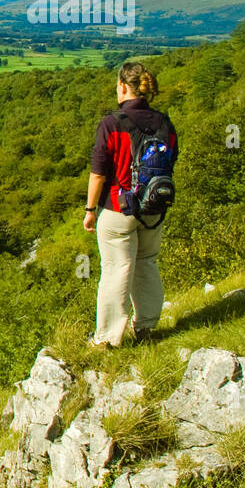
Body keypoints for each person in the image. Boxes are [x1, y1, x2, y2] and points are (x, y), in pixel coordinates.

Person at [83, 62, 178, 347]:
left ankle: (109, 338)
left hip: (118, 208)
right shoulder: (164, 122)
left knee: (116, 268)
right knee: (147, 263)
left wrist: (90, 211)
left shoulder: (112, 123)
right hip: (154, 207)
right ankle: (147, 328)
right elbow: (171, 160)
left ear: (123, 87)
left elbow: (98, 172)